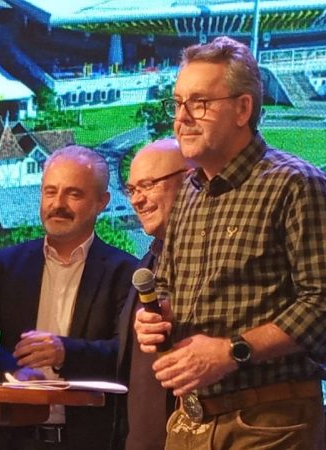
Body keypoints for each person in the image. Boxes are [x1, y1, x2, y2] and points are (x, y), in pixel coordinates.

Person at [135, 36, 326, 449]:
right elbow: (166, 287)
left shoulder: (296, 184)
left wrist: (231, 352)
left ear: (243, 109)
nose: (181, 118)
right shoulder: (189, 191)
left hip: (270, 422)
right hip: (190, 421)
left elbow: (321, 303)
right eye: (177, 103)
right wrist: (155, 317)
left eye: (199, 103)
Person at [0, 145, 137, 450]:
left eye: (73, 194)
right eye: (50, 192)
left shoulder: (125, 271)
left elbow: (128, 355)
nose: (57, 204)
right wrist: (12, 370)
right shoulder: (7, 264)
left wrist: (66, 353)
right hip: (11, 439)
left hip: (90, 442)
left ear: (102, 202)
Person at [117, 138, 191, 450]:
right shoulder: (147, 263)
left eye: (147, 185)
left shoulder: (209, 260)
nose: (137, 200)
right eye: (132, 189)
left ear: (189, 179)